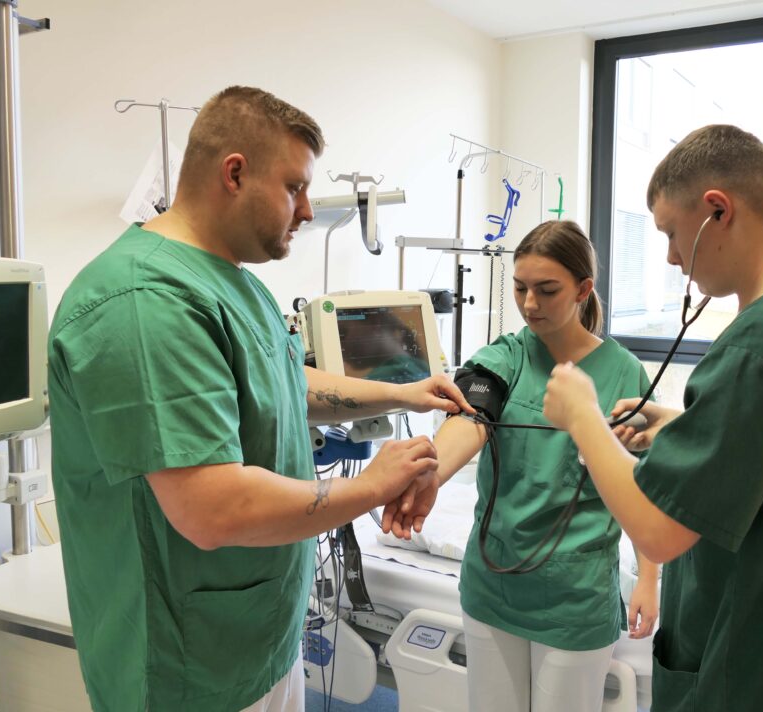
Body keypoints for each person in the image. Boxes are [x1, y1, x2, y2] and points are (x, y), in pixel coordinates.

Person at [47, 86, 471, 712]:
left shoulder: (230, 281)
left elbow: (281, 380)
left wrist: (400, 389)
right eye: (295, 187)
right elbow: (210, 508)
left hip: (256, 640)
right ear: (235, 173)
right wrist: (370, 487)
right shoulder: (148, 303)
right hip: (185, 667)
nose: (306, 211)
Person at [542, 125, 763, 711]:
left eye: (673, 234)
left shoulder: (762, 340)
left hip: (754, 669)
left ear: (717, 211)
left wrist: (583, 417)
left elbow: (657, 530)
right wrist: (681, 424)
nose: (673, 257)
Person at [383, 220, 660, 712]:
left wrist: (649, 578)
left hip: (574, 597)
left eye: (547, 290)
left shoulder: (624, 372)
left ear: (583, 289)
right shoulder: (506, 355)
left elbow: (642, 484)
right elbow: (473, 417)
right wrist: (431, 473)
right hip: (493, 586)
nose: (529, 303)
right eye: (520, 287)